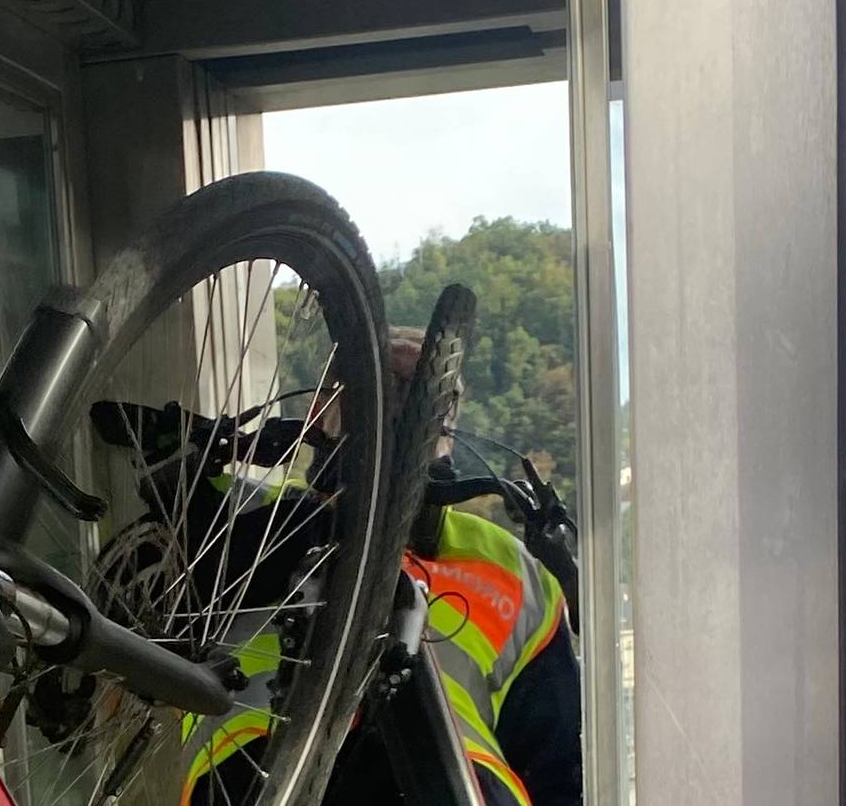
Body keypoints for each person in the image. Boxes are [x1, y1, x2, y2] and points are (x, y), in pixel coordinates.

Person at [183, 328, 583, 806]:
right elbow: (165, 570)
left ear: (451, 426)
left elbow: (555, 767)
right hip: (263, 764)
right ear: (319, 410)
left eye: (429, 392)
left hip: (459, 780)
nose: (403, 405)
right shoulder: (253, 518)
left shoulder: (517, 570)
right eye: (381, 384)